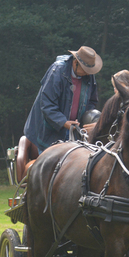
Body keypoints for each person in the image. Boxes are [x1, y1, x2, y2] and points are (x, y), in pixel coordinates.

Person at [17, 46, 103, 182]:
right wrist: (63, 122)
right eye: (85, 70)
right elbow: (46, 104)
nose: (87, 73)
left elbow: (92, 101)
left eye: (89, 71)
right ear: (75, 63)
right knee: (49, 174)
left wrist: (87, 120)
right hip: (48, 132)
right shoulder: (57, 71)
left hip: (74, 132)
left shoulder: (89, 76)